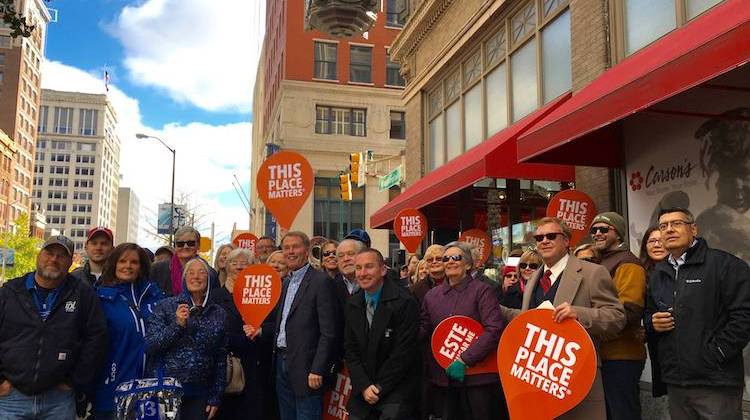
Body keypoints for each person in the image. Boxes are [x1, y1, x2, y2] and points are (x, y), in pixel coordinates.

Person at [500, 217, 626, 419]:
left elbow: (617, 317)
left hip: (576, 377)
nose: (544, 241)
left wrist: (579, 313)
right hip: (537, 377)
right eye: (539, 237)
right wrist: (497, 310)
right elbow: (530, 318)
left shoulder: (592, 273)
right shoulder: (533, 278)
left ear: (566, 241)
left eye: (551, 236)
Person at [644, 207, 750, 419]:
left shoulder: (725, 265)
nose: (669, 230)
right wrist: (652, 323)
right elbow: (649, 314)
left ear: (694, 229)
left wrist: (716, 353)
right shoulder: (659, 273)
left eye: (677, 223)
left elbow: (744, 316)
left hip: (716, 381)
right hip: (676, 382)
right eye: (663, 226)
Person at [0, 235, 108, 419]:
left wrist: (75, 381)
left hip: (58, 400)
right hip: (12, 398)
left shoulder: (82, 295)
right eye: (49, 253)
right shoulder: (10, 292)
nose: (54, 259)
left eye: (61, 256)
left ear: (70, 262)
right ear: (39, 255)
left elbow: (96, 339)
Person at [420, 241, 507, 419]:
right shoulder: (431, 296)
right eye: (446, 258)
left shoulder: (483, 291)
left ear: (468, 264)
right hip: (443, 379)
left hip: (478, 379)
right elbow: (423, 330)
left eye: (456, 257)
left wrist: (465, 359)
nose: (450, 261)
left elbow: (494, 329)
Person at [266, 231, 338, 420]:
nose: (290, 251)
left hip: (307, 368)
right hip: (281, 363)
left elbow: (328, 332)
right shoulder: (286, 282)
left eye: (295, 247)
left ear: (306, 251)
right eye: (286, 248)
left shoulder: (321, 281)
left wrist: (317, 368)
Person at [145, 258, 227, 419]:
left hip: (200, 394)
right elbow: (150, 345)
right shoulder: (166, 306)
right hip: (165, 392)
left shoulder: (218, 313)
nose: (196, 276)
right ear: (184, 278)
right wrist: (177, 326)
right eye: (190, 272)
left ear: (209, 278)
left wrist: (216, 396)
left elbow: (221, 357)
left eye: (202, 272)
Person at [344, 248, 420, 420]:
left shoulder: (404, 302)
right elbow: (350, 350)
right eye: (358, 268)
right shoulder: (353, 303)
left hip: (396, 387)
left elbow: (403, 353)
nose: (362, 273)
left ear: (383, 270)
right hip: (364, 388)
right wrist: (364, 385)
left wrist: (379, 387)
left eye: (369, 267)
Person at [91, 243, 165, 419]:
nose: (128, 266)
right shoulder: (100, 298)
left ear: (141, 266)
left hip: (151, 390)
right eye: (122, 261)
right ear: (114, 264)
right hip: (112, 388)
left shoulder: (155, 296)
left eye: (134, 262)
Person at [589, 212, 648, 420]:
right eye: (593, 230)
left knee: (622, 414)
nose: (597, 233)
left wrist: (592, 325)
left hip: (621, 357)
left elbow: (629, 312)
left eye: (604, 229)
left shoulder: (627, 263)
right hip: (602, 356)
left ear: (619, 234)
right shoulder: (601, 262)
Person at [212, 248, 267, 420]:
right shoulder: (215, 296)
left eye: (244, 265)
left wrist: (260, 331)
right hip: (225, 366)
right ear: (226, 267)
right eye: (234, 264)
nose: (239, 268)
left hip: (254, 366)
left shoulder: (262, 295)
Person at [639, 226, 669, 400]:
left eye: (661, 240)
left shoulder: (682, 271)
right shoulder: (639, 273)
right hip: (655, 346)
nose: (657, 244)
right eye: (651, 241)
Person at [151, 226, 218, 296]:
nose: (185, 247)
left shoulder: (210, 273)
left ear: (198, 245)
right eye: (180, 244)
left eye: (190, 243)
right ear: (175, 246)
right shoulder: (157, 269)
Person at [333, 239, 366, 315]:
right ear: (337, 262)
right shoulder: (331, 286)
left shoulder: (373, 282)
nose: (346, 259)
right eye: (341, 256)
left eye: (351, 254)